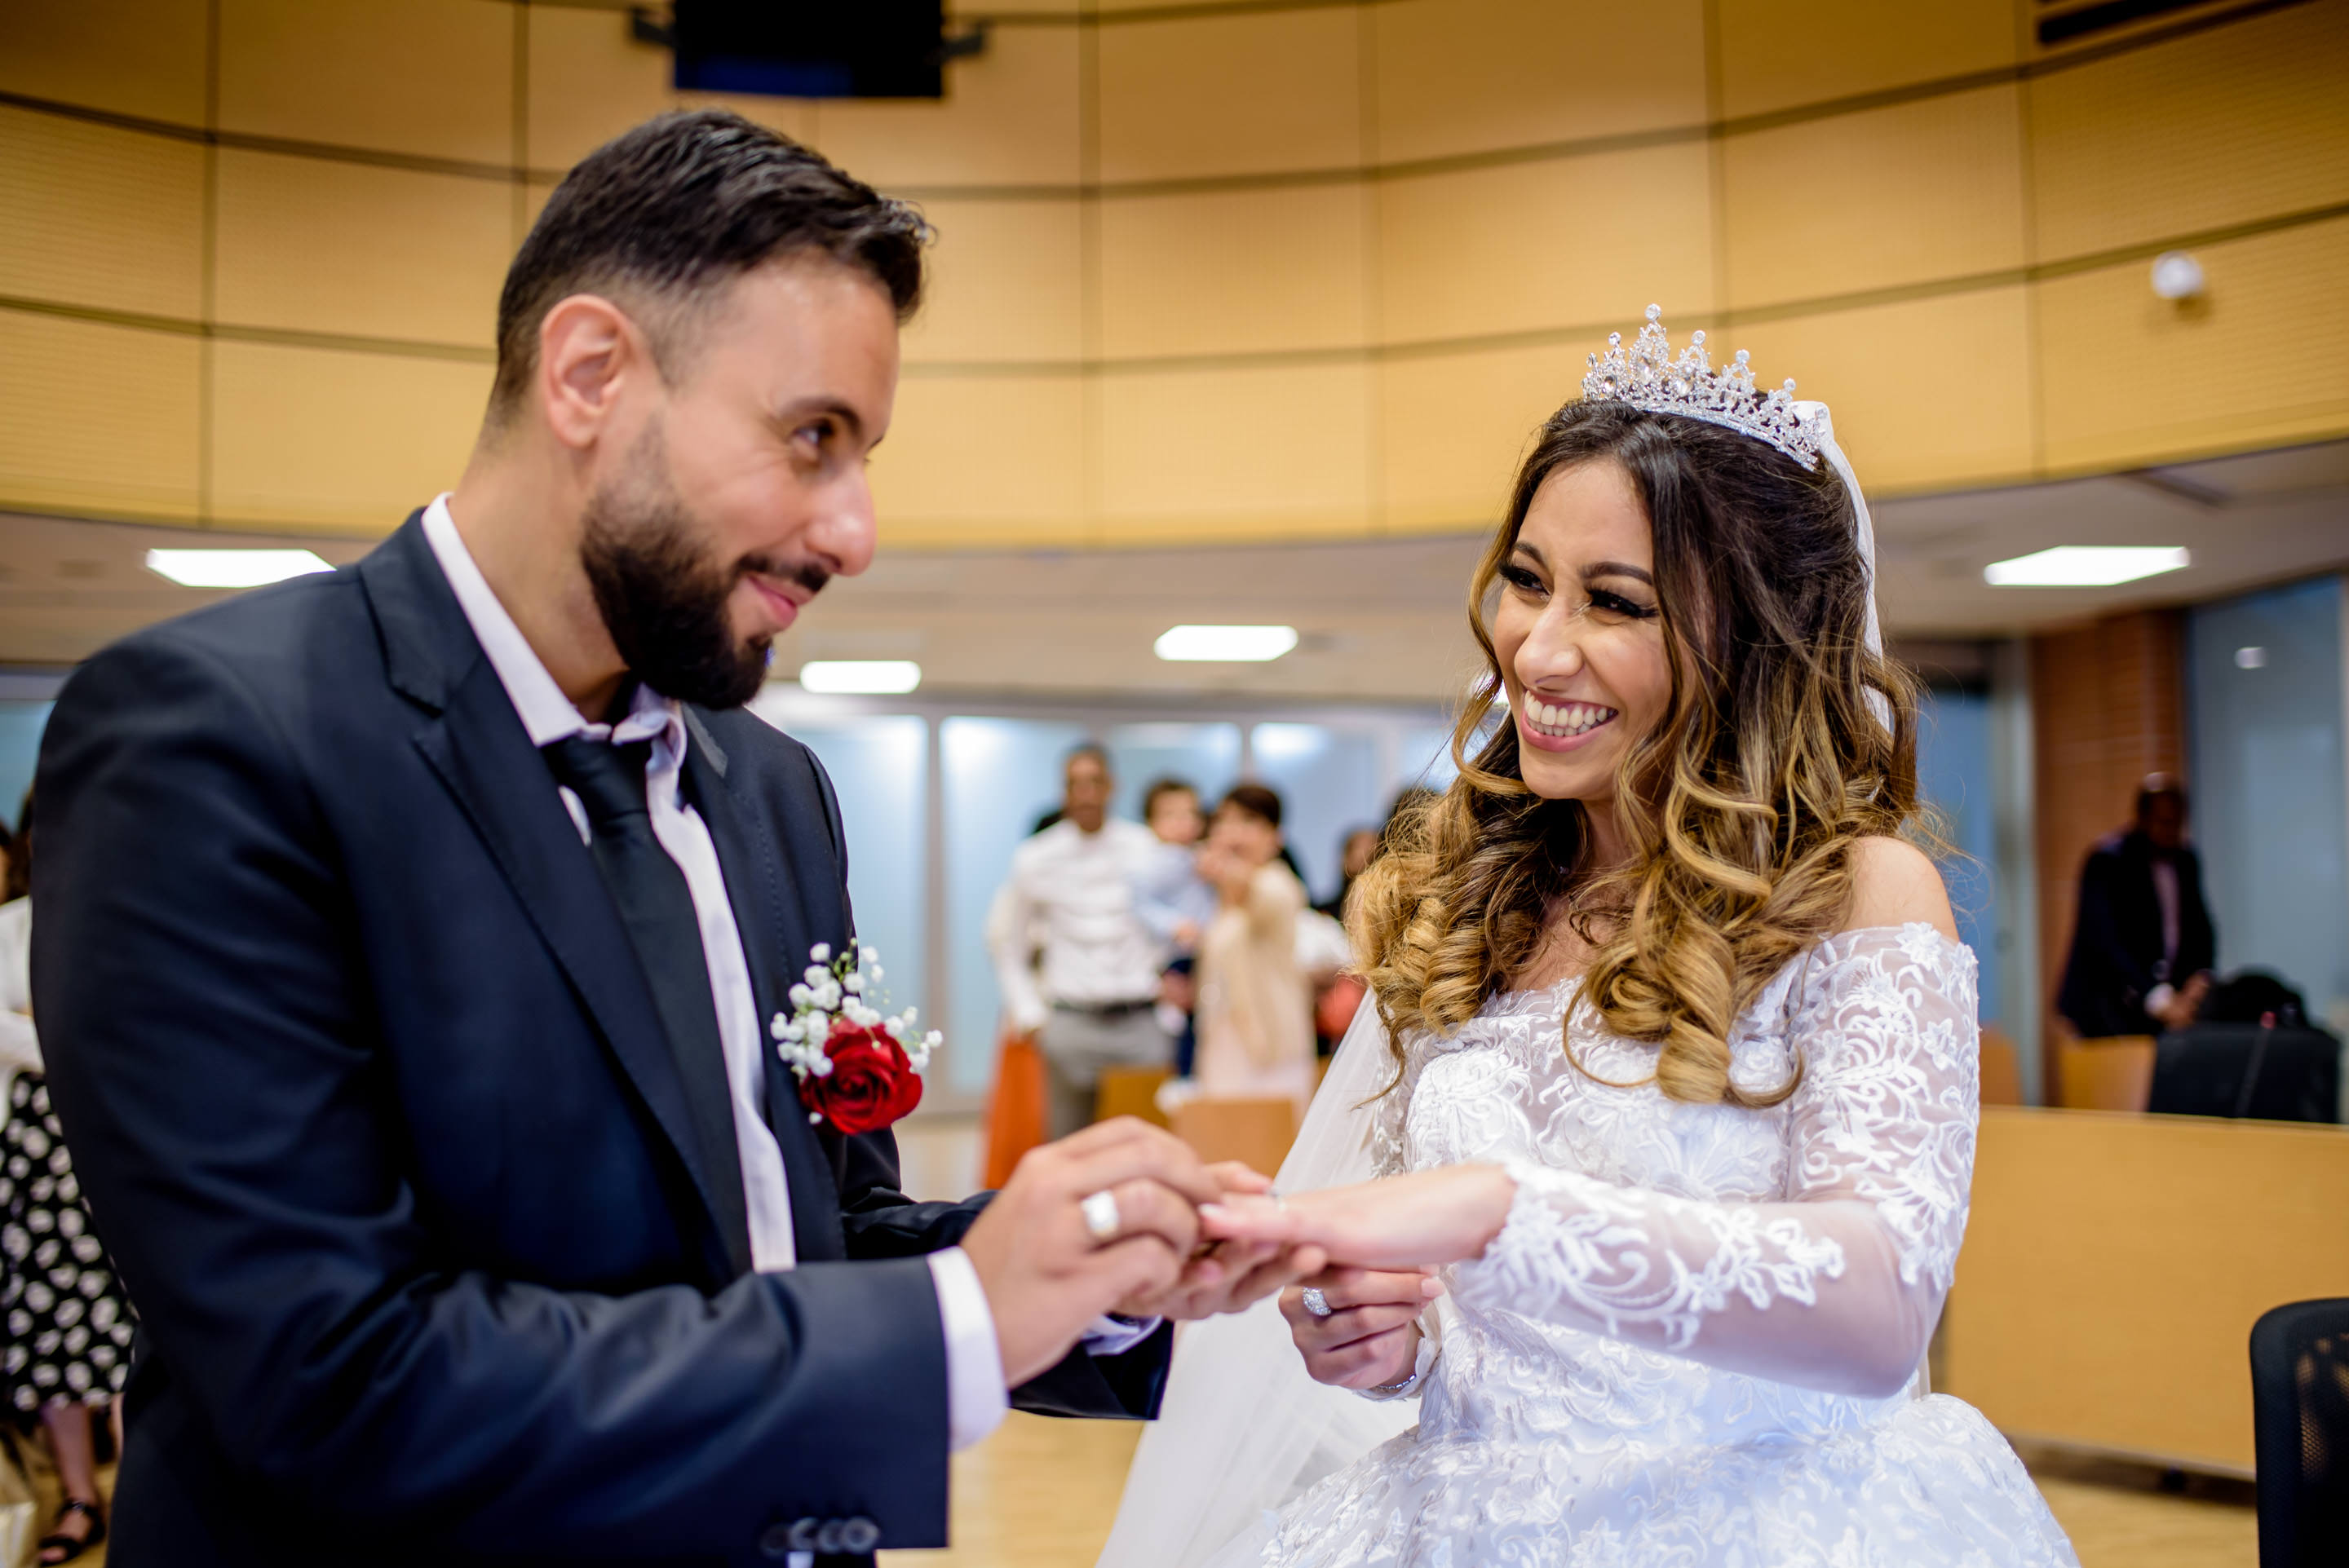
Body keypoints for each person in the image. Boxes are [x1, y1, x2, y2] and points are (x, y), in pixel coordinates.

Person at [31, 111, 1316, 1568]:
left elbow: (814, 1236)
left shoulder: (770, 787)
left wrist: (1111, 1276)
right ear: (590, 374)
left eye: (865, 454)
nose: (856, 530)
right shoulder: (216, 743)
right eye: (813, 438)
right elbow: (331, 1376)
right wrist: (961, 1317)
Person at [1100, 307, 2077, 1566]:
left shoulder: (1863, 893)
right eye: (1525, 578)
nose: (1536, 647)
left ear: (1756, 637)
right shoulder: (1472, 897)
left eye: (1615, 601)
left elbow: (1881, 1304)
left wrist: (1499, 1211)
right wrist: (1396, 1340)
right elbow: (1463, 1331)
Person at [0, 793, 137, 1566]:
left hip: (118, 1140)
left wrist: (43, 1025)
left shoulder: (123, 922)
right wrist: (59, 1031)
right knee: (57, 1335)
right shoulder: (10, 927)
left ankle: (139, 1491)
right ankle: (81, 1498)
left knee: (139, 1326)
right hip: (36, 1160)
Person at [992, 746, 1174, 1139]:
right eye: (1076, 784)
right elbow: (1009, 943)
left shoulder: (1144, 847)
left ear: (1112, 787)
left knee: (1145, 1146)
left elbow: (1174, 920)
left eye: (1096, 782)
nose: (1087, 793)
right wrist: (1031, 1015)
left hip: (1138, 1021)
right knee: (1069, 1148)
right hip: (1071, 1022)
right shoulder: (1037, 856)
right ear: (1064, 791)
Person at [2056, 774, 2216, 1039]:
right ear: (2142, 819)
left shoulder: (2186, 860)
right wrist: (2155, 995)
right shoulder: (2107, 862)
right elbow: (2105, 940)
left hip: (2161, 1000)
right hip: (2106, 1001)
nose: (2170, 831)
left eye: (2177, 823)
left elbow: (2201, 927)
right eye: (2163, 822)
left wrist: (2199, 979)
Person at [1189, 786, 1317, 1115]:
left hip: (1269, 1046)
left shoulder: (1278, 883)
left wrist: (1223, 865)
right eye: (1224, 821)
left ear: (1275, 837)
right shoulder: (1219, 902)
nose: (1232, 832)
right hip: (1223, 1043)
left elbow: (1259, 896)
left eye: (1247, 821)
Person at [1132, 778, 1214, 1078]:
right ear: (1152, 824)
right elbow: (1142, 904)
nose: (1183, 822)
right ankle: (1183, 1076)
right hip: (1176, 954)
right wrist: (1174, 925)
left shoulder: (1199, 855)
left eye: (1190, 814)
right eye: (1171, 815)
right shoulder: (1154, 862)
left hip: (1204, 951)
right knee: (1182, 1022)